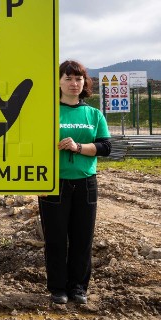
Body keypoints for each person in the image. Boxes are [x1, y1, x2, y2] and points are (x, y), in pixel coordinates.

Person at [39, 60, 111, 304]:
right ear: (58, 82)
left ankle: (78, 287)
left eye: (78, 79)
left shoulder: (94, 114)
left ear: (85, 83)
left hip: (85, 184)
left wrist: (78, 147)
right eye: (68, 78)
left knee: (82, 238)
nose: (73, 83)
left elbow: (105, 146)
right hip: (53, 183)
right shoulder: (46, 112)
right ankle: (58, 288)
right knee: (56, 238)